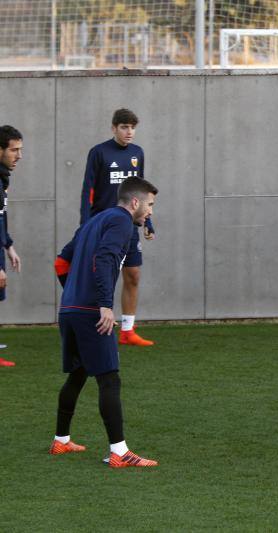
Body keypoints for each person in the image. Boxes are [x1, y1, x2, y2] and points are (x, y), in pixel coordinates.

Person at [49, 177, 159, 468]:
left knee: (78, 373)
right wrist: (103, 305)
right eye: (149, 205)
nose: (150, 212)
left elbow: (61, 263)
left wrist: (75, 293)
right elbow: (105, 257)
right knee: (109, 378)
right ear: (134, 202)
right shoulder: (122, 222)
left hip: (70, 310)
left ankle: (61, 441)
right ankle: (119, 452)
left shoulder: (93, 222)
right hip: (90, 312)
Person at [78, 108, 155, 346]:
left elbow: (142, 192)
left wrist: (148, 221)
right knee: (103, 276)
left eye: (132, 127)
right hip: (104, 226)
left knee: (133, 275)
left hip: (129, 226)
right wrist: (85, 225)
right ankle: (96, 326)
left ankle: (128, 331)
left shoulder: (137, 153)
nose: (129, 132)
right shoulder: (99, 152)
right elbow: (87, 191)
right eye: (124, 127)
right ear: (113, 128)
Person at [0, 126, 23, 367]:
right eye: (13, 150)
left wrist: (8, 245)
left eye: (20, 150)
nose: (18, 156)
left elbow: (0, 216)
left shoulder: (2, 177)